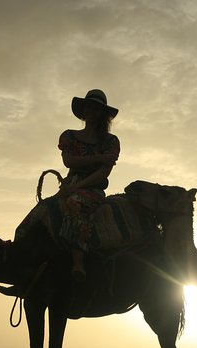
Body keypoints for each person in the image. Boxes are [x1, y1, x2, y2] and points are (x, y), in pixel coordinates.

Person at [57, 89, 120, 282]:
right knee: (41, 211)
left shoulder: (111, 141)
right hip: (69, 185)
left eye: (96, 109)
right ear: (83, 111)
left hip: (93, 189)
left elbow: (103, 172)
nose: (91, 112)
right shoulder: (69, 136)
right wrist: (99, 157)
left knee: (76, 204)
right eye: (89, 107)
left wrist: (77, 187)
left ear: (103, 114)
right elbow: (69, 162)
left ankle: (78, 263)